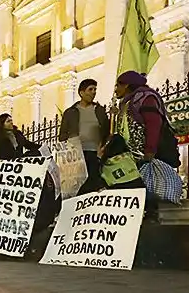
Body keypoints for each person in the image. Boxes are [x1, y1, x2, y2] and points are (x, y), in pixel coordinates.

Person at [111, 70, 181, 222]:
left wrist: (150, 149)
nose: (116, 89)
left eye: (118, 85)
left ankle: (151, 214)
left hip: (143, 152)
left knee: (147, 183)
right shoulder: (128, 102)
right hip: (130, 154)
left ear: (127, 85)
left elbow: (153, 123)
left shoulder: (146, 98)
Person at [58, 78, 110, 194]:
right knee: (79, 186)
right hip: (77, 155)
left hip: (95, 153)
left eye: (95, 89)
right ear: (81, 93)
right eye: (90, 89)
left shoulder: (99, 110)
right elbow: (62, 135)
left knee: (94, 183)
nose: (93, 92)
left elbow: (106, 131)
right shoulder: (70, 112)